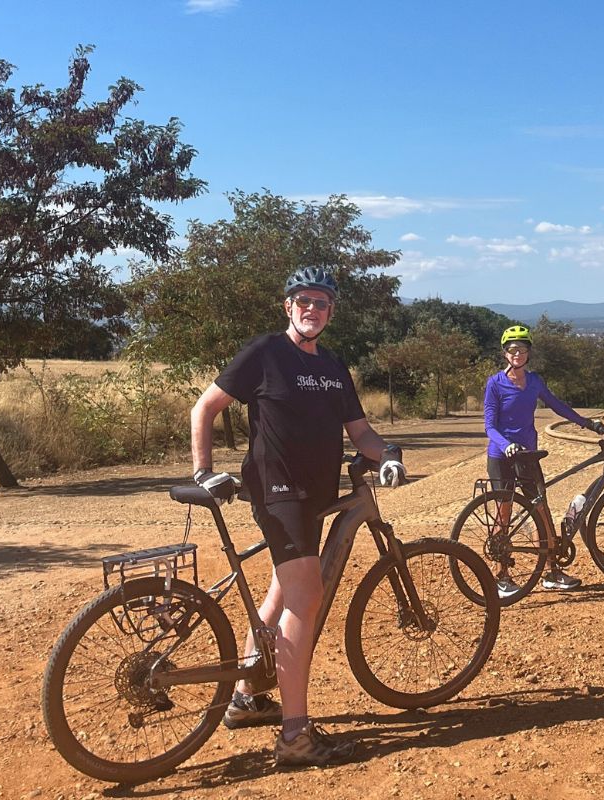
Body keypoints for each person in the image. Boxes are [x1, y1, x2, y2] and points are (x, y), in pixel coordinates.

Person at [189, 267, 406, 769]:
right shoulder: (265, 352)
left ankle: (245, 697)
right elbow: (205, 407)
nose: (312, 309)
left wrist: (387, 453)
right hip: (278, 493)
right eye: (303, 301)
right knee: (306, 599)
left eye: (322, 303)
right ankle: (294, 735)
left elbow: (361, 431)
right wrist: (203, 472)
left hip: (317, 494)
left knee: (283, 592)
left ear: (331, 312)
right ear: (288, 306)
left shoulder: (332, 366)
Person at [484, 324, 604, 596]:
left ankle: (552, 571)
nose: (517, 353)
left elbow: (557, 405)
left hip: (528, 455)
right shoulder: (495, 384)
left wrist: (587, 423)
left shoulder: (535, 381)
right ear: (505, 353)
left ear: (529, 353)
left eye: (523, 349)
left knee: (541, 510)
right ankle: (500, 575)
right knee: (503, 513)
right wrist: (506, 446)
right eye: (513, 349)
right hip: (501, 455)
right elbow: (490, 427)